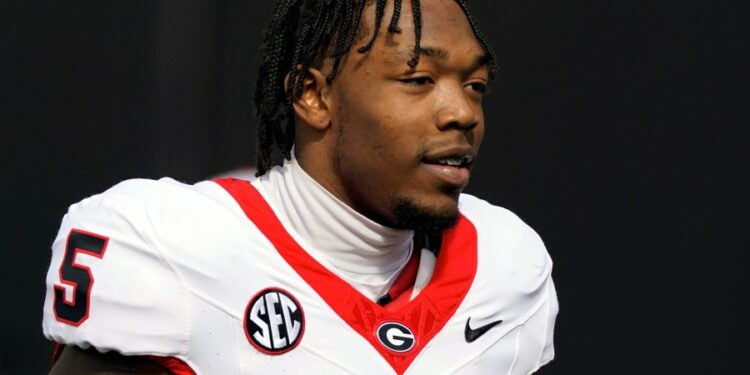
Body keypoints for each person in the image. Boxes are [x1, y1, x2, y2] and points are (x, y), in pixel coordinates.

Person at [43, 0, 558, 373]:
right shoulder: (170, 246)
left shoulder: (506, 269)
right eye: (418, 79)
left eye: (476, 86)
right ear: (313, 95)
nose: (463, 113)